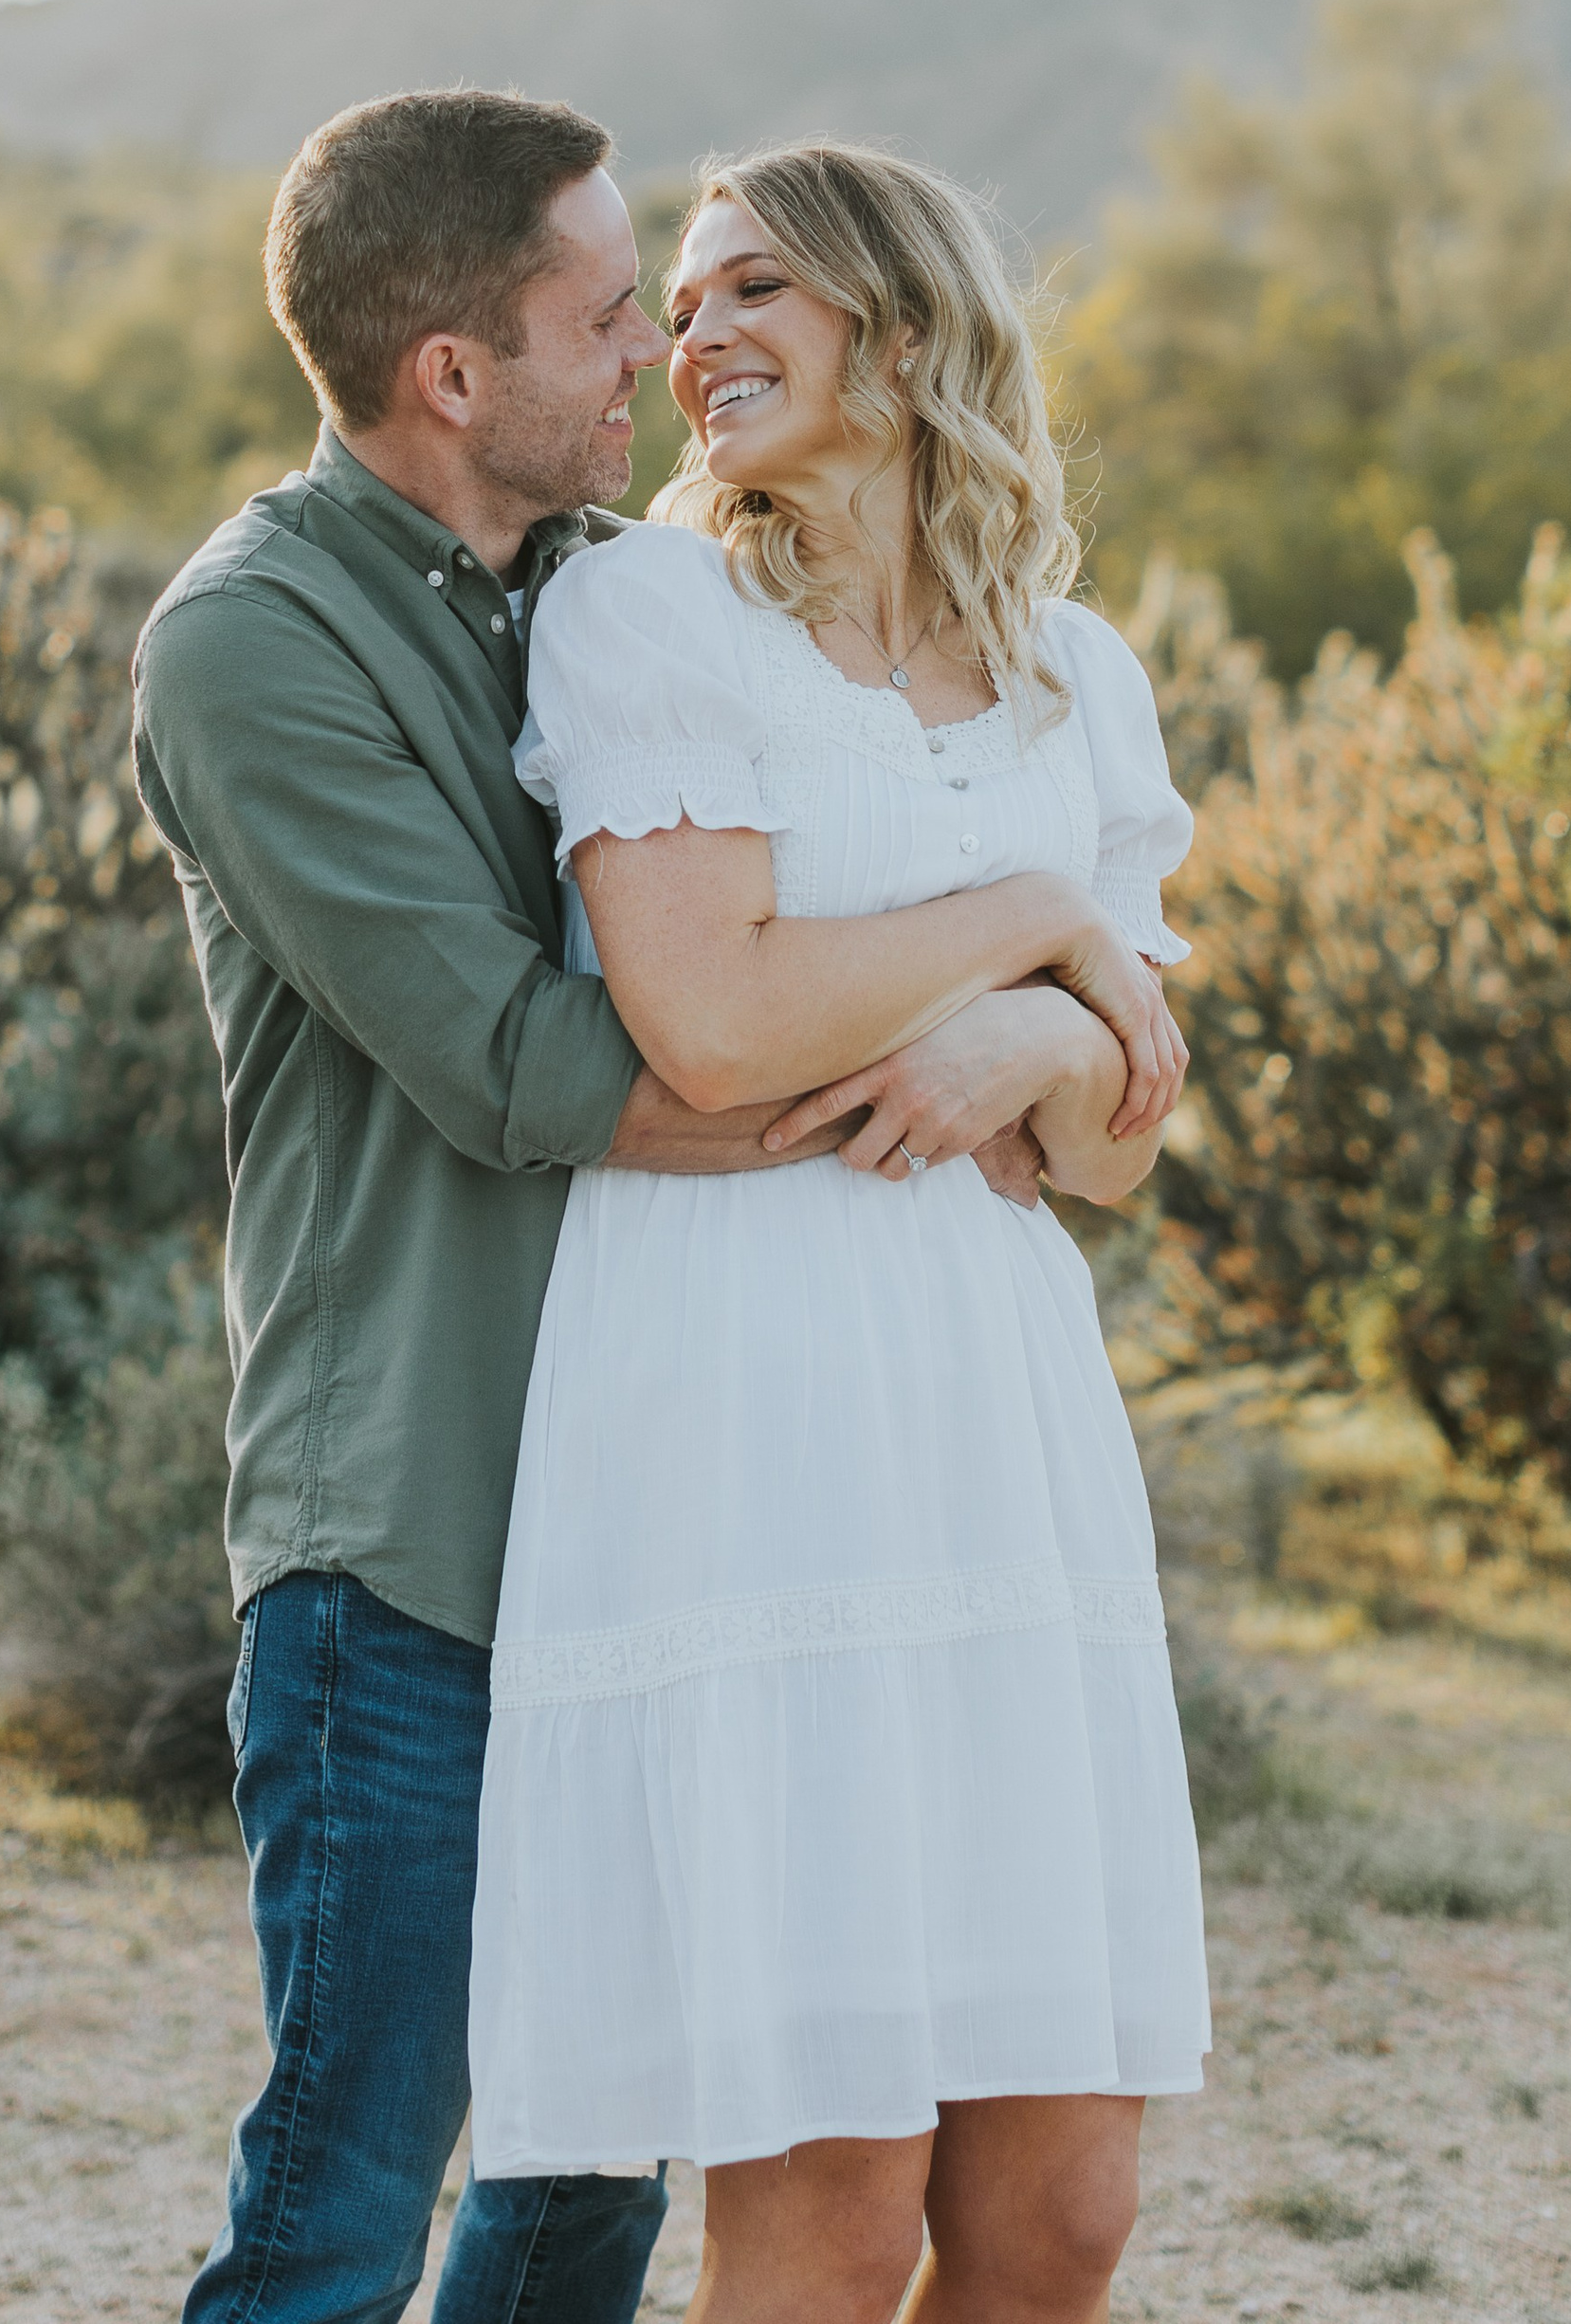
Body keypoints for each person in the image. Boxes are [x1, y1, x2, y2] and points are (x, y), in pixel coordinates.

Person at [131, 91, 1151, 2324]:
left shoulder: (627, 588)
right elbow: (549, 1061)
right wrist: (999, 995)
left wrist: (1062, 1047)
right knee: (344, 2203)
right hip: (407, 1520)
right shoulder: (254, 643)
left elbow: (1056, 1046)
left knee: (582, 2187)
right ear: (449, 375)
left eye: (685, 304)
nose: (654, 361)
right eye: (615, 318)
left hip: (682, 1493)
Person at [469, 140, 1211, 2324]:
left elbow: (1117, 1143)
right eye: (675, 304)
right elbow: (706, 1025)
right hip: (748, 1414)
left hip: (998, 1424)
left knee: (1059, 2205)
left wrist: (1028, 1062)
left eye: (749, 288)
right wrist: (1034, 931)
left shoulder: (1077, 672)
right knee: (830, 2197)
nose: (691, 336)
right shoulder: (647, 612)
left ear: (903, 326)